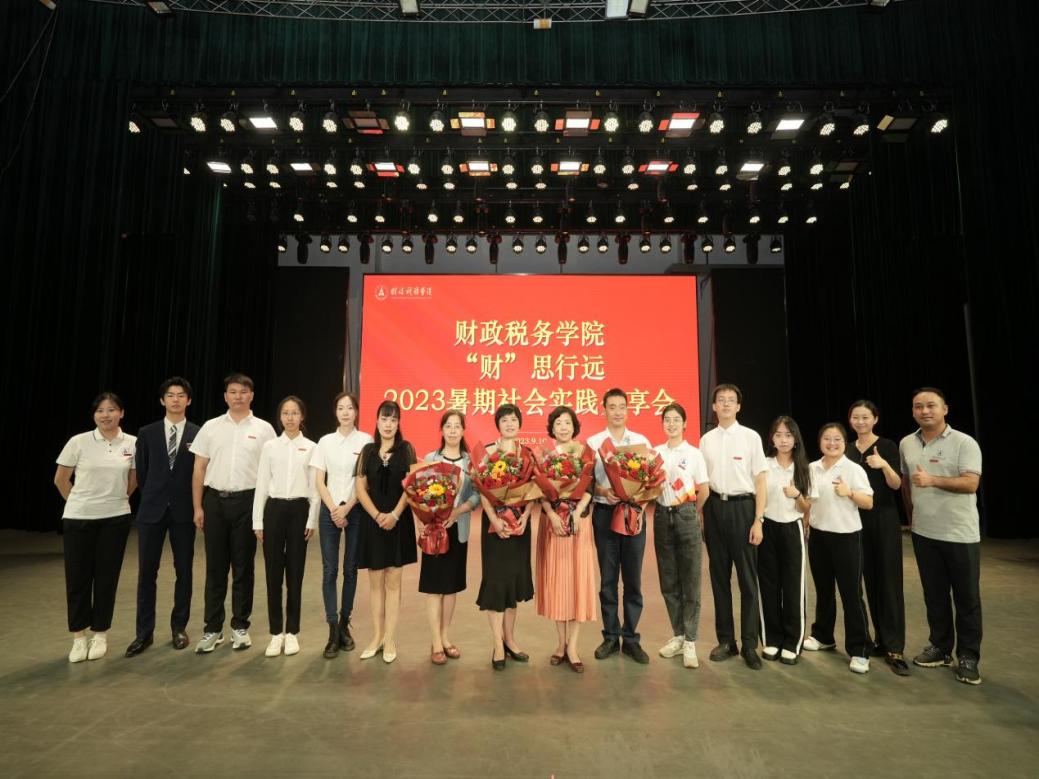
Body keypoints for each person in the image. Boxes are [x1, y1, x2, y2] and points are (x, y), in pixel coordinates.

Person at [899, 387, 983, 685]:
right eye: (918, 406)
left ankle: (969, 656)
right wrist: (912, 517)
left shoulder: (964, 442)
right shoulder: (907, 443)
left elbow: (971, 483)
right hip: (924, 532)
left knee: (966, 598)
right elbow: (907, 484)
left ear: (944, 409)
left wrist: (932, 480)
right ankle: (940, 647)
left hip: (960, 533)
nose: (925, 411)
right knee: (934, 595)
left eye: (931, 405)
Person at [189, 373, 276, 653]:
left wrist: (262, 513)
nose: (238, 396)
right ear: (225, 396)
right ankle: (212, 629)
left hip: (247, 503)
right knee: (215, 568)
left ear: (252, 395)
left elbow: (270, 472)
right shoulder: (211, 427)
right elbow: (199, 469)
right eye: (233, 392)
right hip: (214, 502)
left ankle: (240, 626)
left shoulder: (264, 429)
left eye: (243, 391)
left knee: (243, 567)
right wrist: (198, 506)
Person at [54, 392, 137, 662]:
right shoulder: (78, 442)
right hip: (78, 519)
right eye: (100, 410)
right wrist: (79, 502)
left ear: (121, 413)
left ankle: (100, 634)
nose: (106, 415)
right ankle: (79, 637)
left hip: (115, 519)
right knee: (77, 578)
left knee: (106, 578)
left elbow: (133, 480)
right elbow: (61, 479)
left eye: (111, 410)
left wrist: (115, 499)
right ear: (94, 415)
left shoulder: (133, 443)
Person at [125, 377, 199, 658]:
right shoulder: (147, 433)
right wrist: (156, 495)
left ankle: (179, 628)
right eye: (170, 395)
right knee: (147, 573)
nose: (175, 400)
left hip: (184, 511)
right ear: (162, 400)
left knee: (184, 571)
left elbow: (200, 472)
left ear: (188, 400)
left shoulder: (198, 433)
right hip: (152, 511)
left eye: (181, 395)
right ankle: (144, 633)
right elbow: (142, 472)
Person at [698, 383, 768, 670]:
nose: (726, 404)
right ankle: (726, 641)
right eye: (721, 400)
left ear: (738, 406)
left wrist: (758, 520)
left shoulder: (751, 437)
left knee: (748, 581)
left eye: (731, 400)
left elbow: (761, 481)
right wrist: (702, 516)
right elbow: (703, 482)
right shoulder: (706, 440)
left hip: (743, 509)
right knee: (719, 578)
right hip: (714, 508)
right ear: (714, 406)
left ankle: (750, 644)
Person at [586, 388, 652, 664]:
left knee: (633, 580)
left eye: (621, 407)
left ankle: (631, 638)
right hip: (605, 514)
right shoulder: (594, 443)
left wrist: (640, 505)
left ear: (628, 410)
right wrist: (604, 491)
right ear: (604, 410)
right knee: (608, 579)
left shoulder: (640, 441)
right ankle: (611, 636)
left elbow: (651, 480)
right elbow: (585, 483)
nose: (617, 412)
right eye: (611, 407)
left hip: (634, 515)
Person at [803, 422, 875, 674]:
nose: (831, 443)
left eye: (837, 439)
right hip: (819, 536)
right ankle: (823, 636)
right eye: (827, 439)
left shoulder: (853, 469)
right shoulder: (812, 468)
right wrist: (806, 523)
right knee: (824, 590)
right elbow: (810, 501)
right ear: (820, 442)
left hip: (846, 537)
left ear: (845, 443)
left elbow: (868, 502)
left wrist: (849, 492)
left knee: (851, 594)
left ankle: (860, 649)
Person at [253, 396, 319, 657]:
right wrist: (258, 521)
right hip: (274, 510)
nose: (290, 418)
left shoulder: (312, 447)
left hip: (299, 511)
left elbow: (315, 487)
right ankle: (275, 633)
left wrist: (312, 519)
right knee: (272, 574)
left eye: (294, 413)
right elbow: (261, 484)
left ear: (302, 416)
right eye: (285, 413)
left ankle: (292, 632)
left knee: (295, 572)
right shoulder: (270, 447)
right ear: (280, 417)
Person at [847, 400, 909, 676]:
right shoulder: (848, 449)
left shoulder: (887, 446)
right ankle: (879, 640)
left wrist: (883, 464)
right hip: (856, 519)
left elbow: (896, 484)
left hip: (883, 518)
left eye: (865, 417)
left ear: (875, 419)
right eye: (856, 417)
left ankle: (895, 648)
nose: (860, 422)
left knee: (888, 581)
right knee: (868, 580)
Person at [355, 399, 417, 664]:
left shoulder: (407, 450)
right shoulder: (367, 451)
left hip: (398, 522)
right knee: (375, 583)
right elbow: (360, 489)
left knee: (393, 582)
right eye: (384, 419)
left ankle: (390, 638)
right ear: (377, 421)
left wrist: (393, 515)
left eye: (393, 419)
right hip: (373, 523)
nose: (388, 424)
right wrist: (377, 515)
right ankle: (377, 636)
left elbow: (412, 486)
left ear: (398, 423)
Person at [311, 392, 373, 658]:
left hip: (356, 510)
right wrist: (334, 509)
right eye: (340, 408)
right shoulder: (325, 442)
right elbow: (319, 480)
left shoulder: (366, 441)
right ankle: (332, 629)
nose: (345, 412)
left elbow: (364, 481)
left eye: (350, 408)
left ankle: (345, 624)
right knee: (329, 570)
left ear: (356, 412)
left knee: (350, 570)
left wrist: (347, 507)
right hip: (329, 511)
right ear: (335, 412)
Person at [535, 406, 596, 673]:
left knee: (577, 582)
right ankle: (560, 644)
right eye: (558, 423)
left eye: (567, 423)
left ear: (574, 426)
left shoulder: (584, 453)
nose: (563, 427)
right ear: (552, 428)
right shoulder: (544, 455)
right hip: (554, 524)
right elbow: (539, 490)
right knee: (558, 584)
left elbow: (589, 486)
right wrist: (552, 515)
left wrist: (576, 512)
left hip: (578, 523)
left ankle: (573, 646)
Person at [476, 403, 535, 671]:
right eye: (505, 420)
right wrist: (494, 519)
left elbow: (533, 489)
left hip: (519, 527)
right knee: (496, 583)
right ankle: (497, 644)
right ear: (498, 425)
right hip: (495, 527)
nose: (510, 424)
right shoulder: (488, 453)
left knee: (513, 582)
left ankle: (510, 639)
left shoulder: (527, 454)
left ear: (519, 424)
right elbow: (482, 490)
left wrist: (526, 516)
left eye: (513, 420)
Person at [420, 411, 481, 665]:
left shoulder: (470, 461)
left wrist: (456, 512)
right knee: (434, 587)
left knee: (451, 586)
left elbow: (477, 495)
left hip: (458, 529)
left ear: (463, 430)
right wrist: (428, 518)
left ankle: (445, 637)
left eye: (457, 426)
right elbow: (420, 493)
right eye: (448, 426)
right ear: (442, 430)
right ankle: (435, 641)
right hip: (434, 530)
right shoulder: (430, 459)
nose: (453, 430)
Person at [653, 403, 710, 670]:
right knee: (668, 580)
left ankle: (690, 640)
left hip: (686, 513)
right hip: (661, 516)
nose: (672, 424)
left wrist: (691, 513)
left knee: (691, 580)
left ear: (685, 424)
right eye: (667, 419)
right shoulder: (656, 453)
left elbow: (704, 490)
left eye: (676, 419)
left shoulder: (694, 453)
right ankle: (677, 635)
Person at [758, 415, 812, 665]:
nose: (783, 440)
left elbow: (805, 507)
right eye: (778, 435)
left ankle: (792, 642)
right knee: (768, 585)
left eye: (788, 435)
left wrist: (796, 494)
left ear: (795, 439)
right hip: (767, 527)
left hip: (792, 529)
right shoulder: (764, 465)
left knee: (793, 586)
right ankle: (771, 639)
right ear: (772, 438)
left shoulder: (804, 468)